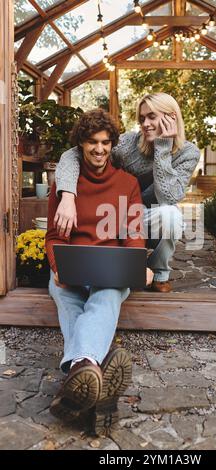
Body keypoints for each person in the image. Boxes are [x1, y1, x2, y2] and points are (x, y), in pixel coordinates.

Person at [46, 108, 153, 435]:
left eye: (106, 143)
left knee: (105, 298)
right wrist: (57, 267)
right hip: (71, 267)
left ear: (112, 145)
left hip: (110, 266)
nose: (99, 149)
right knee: (68, 300)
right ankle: (95, 379)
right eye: (92, 142)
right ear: (81, 144)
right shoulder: (65, 187)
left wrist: (138, 267)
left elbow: (134, 234)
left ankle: (81, 369)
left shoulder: (128, 183)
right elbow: (52, 238)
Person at [54, 93, 200, 293]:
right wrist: (68, 197)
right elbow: (74, 154)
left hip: (150, 216)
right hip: (119, 216)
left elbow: (169, 197)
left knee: (171, 215)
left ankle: (159, 272)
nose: (145, 124)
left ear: (171, 118)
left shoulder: (188, 153)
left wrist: (163, 148)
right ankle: (124, 266)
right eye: (142, 119)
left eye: (151, 117)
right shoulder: (127, 143)